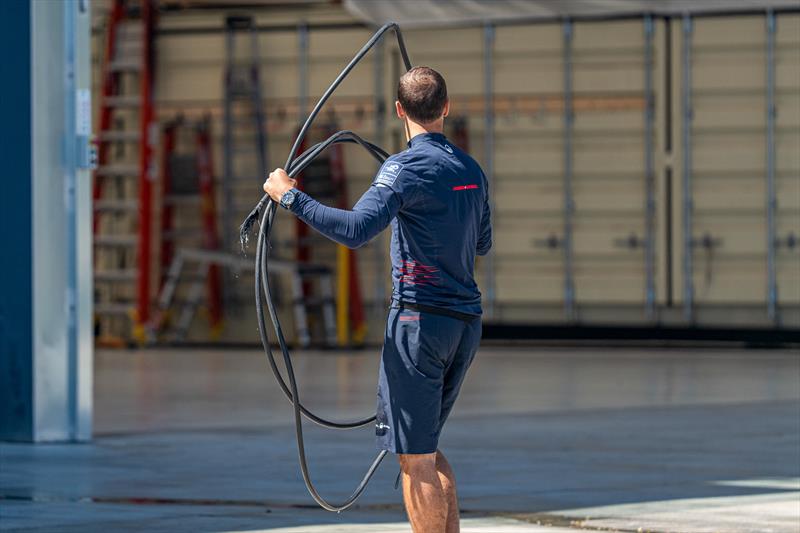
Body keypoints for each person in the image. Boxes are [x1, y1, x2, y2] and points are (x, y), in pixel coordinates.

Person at [263, 66, 492, 533]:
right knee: (425, 448)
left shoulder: (402, 168)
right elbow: (481, 242)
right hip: (464, 326)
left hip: (419, 326)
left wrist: (290, 197)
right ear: (446, 107)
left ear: (398, 111)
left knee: (414, 460)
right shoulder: (471, 169)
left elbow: (355, 230)